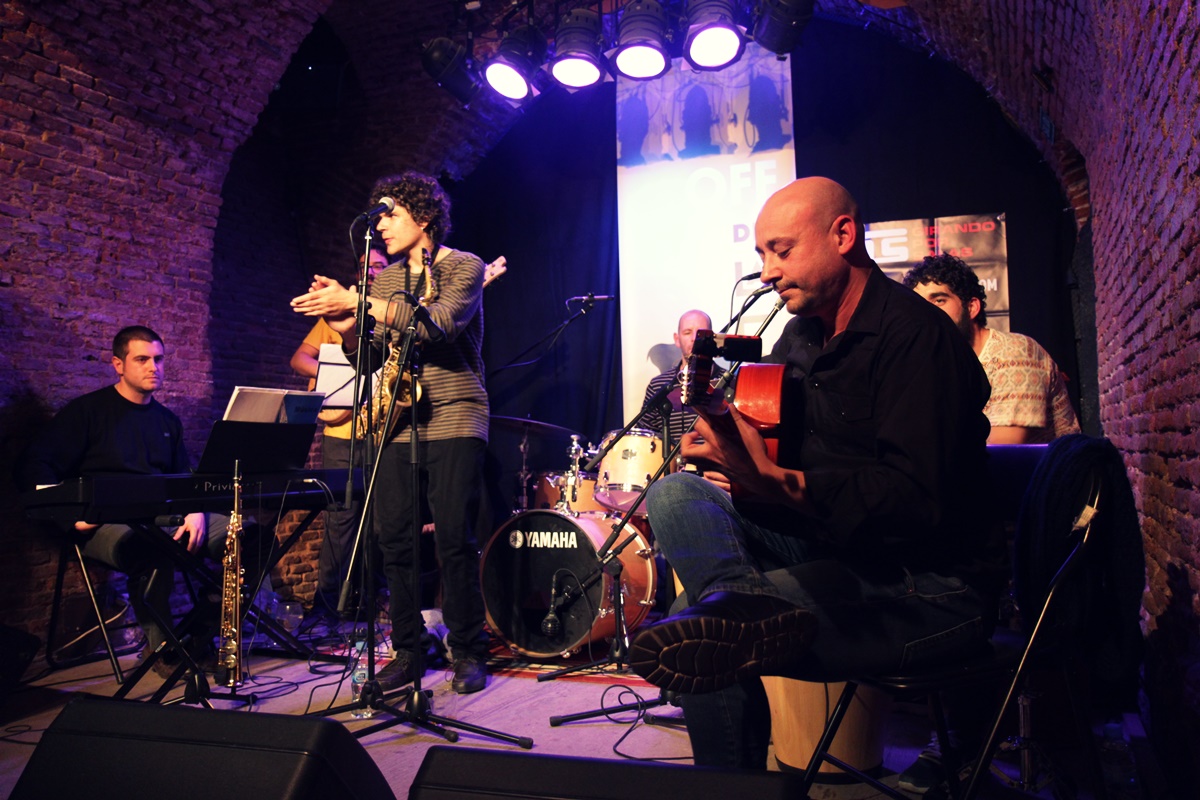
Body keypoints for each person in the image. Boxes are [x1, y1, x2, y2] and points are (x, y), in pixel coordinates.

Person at [628, 177, 997, 769]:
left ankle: (739, 624)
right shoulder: (800, 336)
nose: (768, 272)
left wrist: (772, 481)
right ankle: (747, 606)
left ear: (843, 235)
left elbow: (912, 502)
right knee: (675, 493)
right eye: (761, 255)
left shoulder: (915, 336)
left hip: (930, 582)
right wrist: (727, 437)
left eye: (782, 250)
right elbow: (770, 443)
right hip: (837, 546)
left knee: (693, 627)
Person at [290, 172, 491, 695]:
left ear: (423, 217)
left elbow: (437, 325)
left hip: (455, 413)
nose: (380, 226)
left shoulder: (464, 265)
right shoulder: (383, 282)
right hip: (398, 421)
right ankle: (408, 648)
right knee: (394, 538)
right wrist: (345, 327)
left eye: (391, 215)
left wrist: (359, 302)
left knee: (453, 537)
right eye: (378, 217)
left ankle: (468, 648)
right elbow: (372, 358)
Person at [22, 326, 242, 677]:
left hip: (162, 518)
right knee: (151, 548)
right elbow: (36, 465)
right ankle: (164, 652)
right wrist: (71, 517)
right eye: (142, 359)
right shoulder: (87, 412)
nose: (154, 367)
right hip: (106, 523)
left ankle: (195, 634)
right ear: (118, 365)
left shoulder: (167, 421)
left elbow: (182, 479)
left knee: (248, 538)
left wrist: (194, 509)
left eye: (159, 359)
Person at [289, 246, 389, 621]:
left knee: (379, 522)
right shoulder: (337, 314)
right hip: (342, 433)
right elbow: (299, 358)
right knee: (341, 519)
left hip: (384, 433)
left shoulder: (392, 314)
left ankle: (369, 600)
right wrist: (335, 376)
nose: (372, 271)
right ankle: (328, 604)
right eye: (366, 266)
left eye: (379, 266)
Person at [902, 253, 1081, 444]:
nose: (927, 313)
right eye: (919, 304)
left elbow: (1003, 447)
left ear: (971, 307)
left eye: (939, 300)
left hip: (1038, 464)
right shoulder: (930, 367)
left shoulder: (1014, 352)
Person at [640, 309, 713, 449]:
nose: (694, 338)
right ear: (677, 339)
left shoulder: (728, 382)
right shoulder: (658, 385)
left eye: (701, 333)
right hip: (671, 463)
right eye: (687, 332)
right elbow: (644, 439)